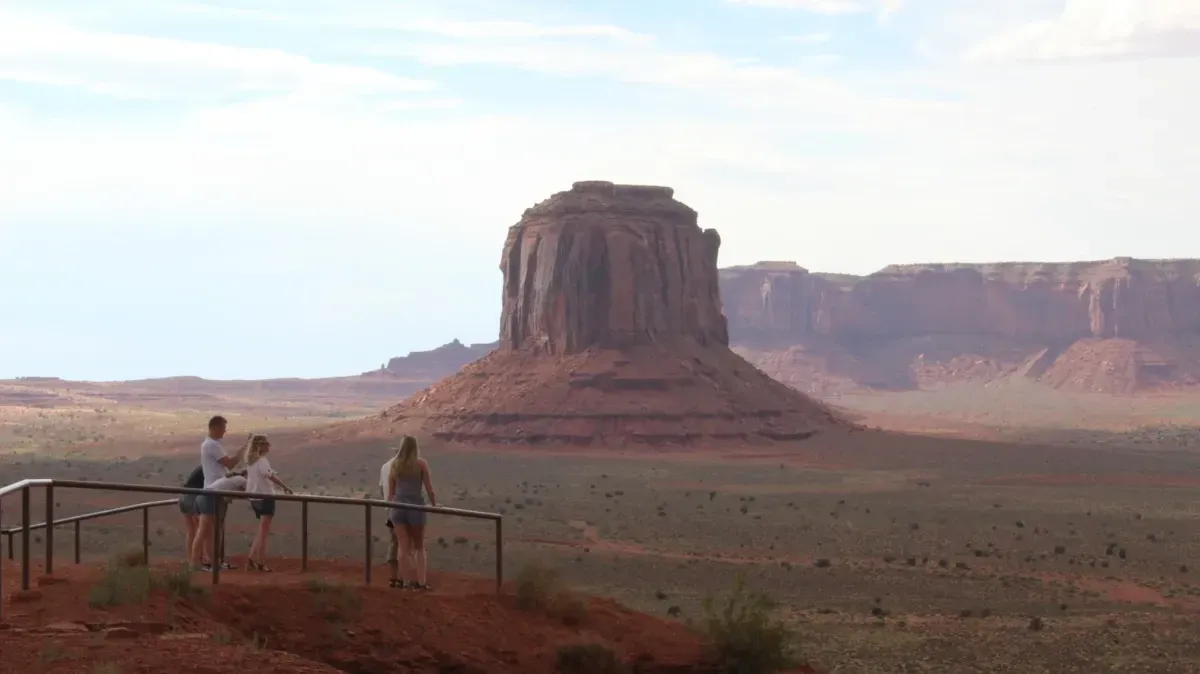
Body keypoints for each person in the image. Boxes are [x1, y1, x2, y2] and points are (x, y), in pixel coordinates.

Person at [190, 416, 248, 571]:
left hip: (214, 491)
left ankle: (213, 562)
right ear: (214, 428)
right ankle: (196, 563)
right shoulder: (212, 445)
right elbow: (230, 463)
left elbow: (224, 470)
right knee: (205, 531)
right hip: (212, 493)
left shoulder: (211, 445)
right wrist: (246, 448)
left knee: (212, 531)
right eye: (223, 428)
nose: (224, 431)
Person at [387, 435, 437, 590]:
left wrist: (390, 510)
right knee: (419, 547)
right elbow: (429, 488)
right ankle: (421, 583)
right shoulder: (421, 464)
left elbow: (391, 492)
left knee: (403, 546)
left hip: (398, 508)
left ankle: (406, 583)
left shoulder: (394, 465)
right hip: (416, 507)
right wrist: (434, 504)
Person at [243, 434, 294, 572]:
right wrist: (285, 486)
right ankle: (260, 562)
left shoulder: (250, 461)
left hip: (254, 498)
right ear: (261, 446)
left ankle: (252, 559)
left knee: (261, 530)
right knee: (263, 533)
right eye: (266, 443)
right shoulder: (262, 461)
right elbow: (270, 476)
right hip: (265, 498)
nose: (268, 446)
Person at [380, 447, 399, 585]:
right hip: (403, 507)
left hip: (390, 508)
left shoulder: (385, 466)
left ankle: (393, 576)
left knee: (394, 541)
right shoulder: (403, 466)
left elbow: (382, 489)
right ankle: (403, 577)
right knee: (404, 542)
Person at [179, 465, 203, 562]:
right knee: (199, 530)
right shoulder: (208, 469)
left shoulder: (200, 468)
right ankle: (197, 561)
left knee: (191, 531)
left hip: (184, 498)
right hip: (193, 498)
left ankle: (191, 559)